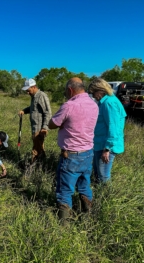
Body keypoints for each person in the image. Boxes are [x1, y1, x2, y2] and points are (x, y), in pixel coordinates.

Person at [48, 77, 98, 225]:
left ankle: (64, 228)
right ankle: (87, 218)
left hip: (71, 155)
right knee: (84, 185)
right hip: (88, 153)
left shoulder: (69, 105)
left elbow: (52, 124)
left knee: (65, 190)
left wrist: (63, 125)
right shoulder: (94, 104)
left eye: (66, 91)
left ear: (70, 90)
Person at [88, 78, 127, 184]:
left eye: (93, 93)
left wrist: (107, 149)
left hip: (105, 146)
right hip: (99, 144)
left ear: (100, 91)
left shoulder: (109, 103)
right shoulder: (103, 102)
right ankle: (98, 196)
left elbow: (113, 127)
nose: (93, 96)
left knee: (103, 177)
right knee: (97, 175)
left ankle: (106, 197)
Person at [18, 78, 52, 163]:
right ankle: (43, 164)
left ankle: (33, 168)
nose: (27, 93)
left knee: (36, 150)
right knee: (39, 148)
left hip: (39, 129)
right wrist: (24, 111)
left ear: (33, 87)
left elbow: (48, 113)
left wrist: (44, 128)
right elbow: (33, 108)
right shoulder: (34, 96)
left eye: (28, 90)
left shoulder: (41, 96)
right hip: (35, 128)